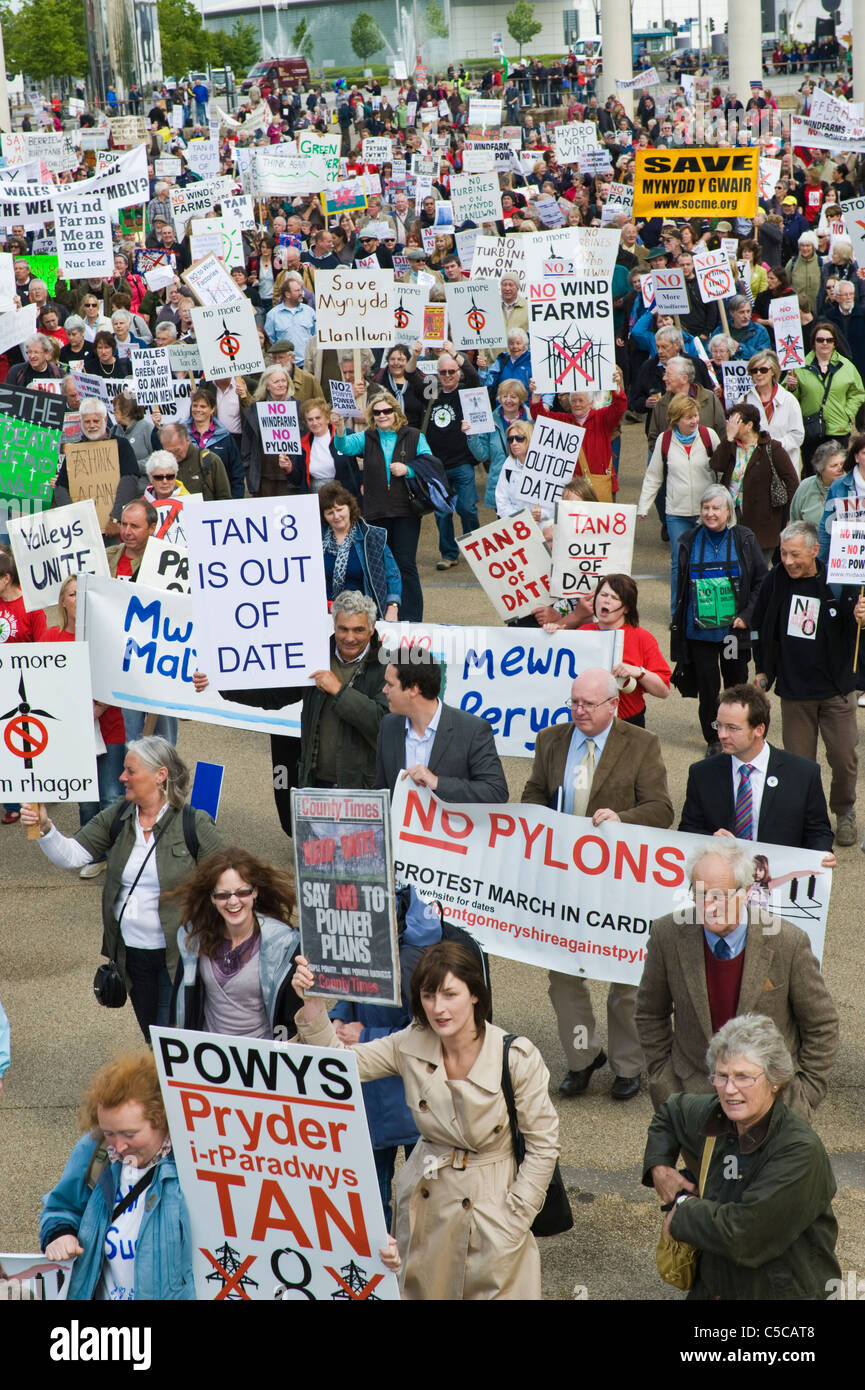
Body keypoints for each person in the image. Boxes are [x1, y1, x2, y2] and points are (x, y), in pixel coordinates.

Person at [291, 940, 559, 1299]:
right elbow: (339, 1065)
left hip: (495, 1211)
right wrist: (313, 1005)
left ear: (475, 994)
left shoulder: (515, 1056)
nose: (439, 1008)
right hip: (428, 1208)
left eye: (450, 994)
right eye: (429, 995)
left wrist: (514, 1220)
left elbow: (543, 1145)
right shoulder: (411, 1042)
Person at [521, 667, 674, 1102]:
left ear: (613, 705)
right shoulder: (551, 739)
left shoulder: (642, 744)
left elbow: (662, 810)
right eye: (574, 701)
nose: (578, 711)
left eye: (588, 704)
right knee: (564, 978)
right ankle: (583, 1058)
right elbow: (533, 792)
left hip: (619, 883)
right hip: (562, 880)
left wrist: (622, 820)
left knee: (625, 979)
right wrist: (537, 816)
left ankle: (628, 1066)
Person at [20, 738, 223, 1040]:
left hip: (178, 957)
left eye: (130, 770)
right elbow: (73, 855)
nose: (121, 777)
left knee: (172, 1039)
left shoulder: (194, 824)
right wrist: (47, 828)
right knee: (152, 1036)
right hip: (131, 956)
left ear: (160, 775)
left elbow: (228, 882)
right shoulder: (119, 816)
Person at [642, 1014, 842, 1300]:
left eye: (743, 1077)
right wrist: (659, 1167)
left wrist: (684, 1210)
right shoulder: (715, 1113)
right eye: (722, 1075)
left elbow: (744, 1235)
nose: (729, 1089)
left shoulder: (799, 1151)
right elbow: (670, 1113)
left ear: (774, 1081)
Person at [636, 841, 839, 1118]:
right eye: (700, 894)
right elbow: (649, 1014)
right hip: (693, 1101)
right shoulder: (666, 935)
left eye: (719, 896)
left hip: (772, 1104)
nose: (708, 906)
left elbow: (822, 1025)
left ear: (746, 894)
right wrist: (664, 1083)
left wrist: (805, 1095)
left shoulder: (788, 942)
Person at [196, 591, 390, 834]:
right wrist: (220, 681)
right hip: (315, 786)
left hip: (360, 791)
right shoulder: (314, 656)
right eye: (343, 629)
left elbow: (382, 723)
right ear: (334, 625)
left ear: (372, 628)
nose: (349, 637)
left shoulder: (387, 667)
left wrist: (338, 690)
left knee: (357, 868)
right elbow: (272, 696)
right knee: (315, 868)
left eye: (358, 630)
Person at [40, 1051, 194, 1300]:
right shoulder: (95, 1151)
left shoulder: (192, 1166)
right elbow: (61, 1209)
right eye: (110, 1132)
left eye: (130, 1134)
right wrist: (59, 1234)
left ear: (162, 1119)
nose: (119, 1146)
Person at [750, 521, 865, 847]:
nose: (787, 561)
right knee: (799, 764)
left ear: (815, 550)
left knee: (844, 757)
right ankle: (809, 818)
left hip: (835, 689)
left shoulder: (839, 582)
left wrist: (860, 617)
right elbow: (761, 625)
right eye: (784, 553)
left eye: (795, 554)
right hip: (795, 691)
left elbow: (855, 630)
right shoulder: (776, 580)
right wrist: (763, 670)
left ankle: (844, 811)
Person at [679, 681, 836, 857]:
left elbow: (818, 831)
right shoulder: (702, 774)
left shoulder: (803, 774)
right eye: (719, 725)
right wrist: (711, 840)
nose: (721, 735)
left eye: (732, 728)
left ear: (759, 729)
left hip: (777, 876)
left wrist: (822, 854)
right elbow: (688, 829)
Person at [672, 487, 768, 752]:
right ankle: (714, 739)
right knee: (708, 688)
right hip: (699, 633)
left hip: (731, 632)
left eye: (716, 508)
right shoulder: (688, 540)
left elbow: (761, 580)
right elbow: (679, 586)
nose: (710, 513)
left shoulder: (744, 538)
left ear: (728, 511)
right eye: (706, 508)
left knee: (736, 684)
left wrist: (747, 616)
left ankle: (741, 731)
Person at [171, 847, 300, 1038]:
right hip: (208, 1055)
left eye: (242, 893)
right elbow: (180, 1003)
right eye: (223, 895)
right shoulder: (195, 939)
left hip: (259, 1059)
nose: (233, 902)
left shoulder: (283, 945)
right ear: (212, 899)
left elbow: (291, 1019)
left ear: (255, 892)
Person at [45, 575, 126, 871]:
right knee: (86, 799)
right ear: (63, 601)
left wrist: (100, 707)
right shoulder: (51, 639)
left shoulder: (106, 637)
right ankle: (93, 854)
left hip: (109, 727)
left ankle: (119, 857)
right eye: (73, 594)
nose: (78, 599)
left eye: (84, 594)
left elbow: (120, 675)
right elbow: (44, 686)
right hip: (73, 732)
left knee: (112, 795)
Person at [334, 391, 432, 622]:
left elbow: (430, 464)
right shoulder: (367, 437)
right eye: (377, 412)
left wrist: (408, 470)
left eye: (387, 411)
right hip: (376, 511)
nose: (382, 415)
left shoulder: (414, 435)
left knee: (405, 564)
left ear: (396, 412)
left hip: (406, 509)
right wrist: (339, 427)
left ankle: (412, 618)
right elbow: (345, 446)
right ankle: (385, 612)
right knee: (380, 565)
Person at [376, 648, 508, 804]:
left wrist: (437, 783)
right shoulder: (388, 725)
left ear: (413, 689)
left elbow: (496, 792)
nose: (384, 690)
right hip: (400, 828)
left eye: (390, 684)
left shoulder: (472, 730)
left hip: (452, 826)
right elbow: (381, 790)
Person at [550, 575, 671, 727]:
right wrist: (552, 636)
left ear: (626, 608)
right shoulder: (582, 633)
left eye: (614, 597)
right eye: (603, 595)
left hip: (627, 723)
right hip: (586, 722)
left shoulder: (642, 638)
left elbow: (663, 691)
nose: (606, 600)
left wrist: (638, 672)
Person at [638, 393, 719, 612]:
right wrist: (643, 506)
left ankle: (706, 609)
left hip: (708, 512)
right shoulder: (665, 441)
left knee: (707, 561)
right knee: (679, 563)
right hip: (677, 513)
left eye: (695, 416)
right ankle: (678, 612)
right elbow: (654, 475)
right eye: (688, 417)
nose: (694, 421)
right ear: (675, 420)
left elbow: (722, 468)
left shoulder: (708, 435)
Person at [709, 402, 799, 564]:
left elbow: (792, 482)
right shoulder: (731, 446)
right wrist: (728, 438)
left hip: (763, 521)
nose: (730, 425)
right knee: (733, 567)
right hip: (732, 515)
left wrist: (791, 517)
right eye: (729, 420)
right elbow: (716, 465)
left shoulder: (772, 448)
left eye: (735, 421)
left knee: (758, 570)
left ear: (749, 425)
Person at [421, 352, 487, 571]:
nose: (447, 375)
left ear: (458, 373)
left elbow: (473, 375)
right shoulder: (431, 395)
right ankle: (449, 554)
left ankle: (477, 552)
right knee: (442, 513)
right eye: (443, 372)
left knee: (467, 508)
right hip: (437, 467)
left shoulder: (467, 394)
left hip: (462, 464)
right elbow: (412, 376)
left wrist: (456, 354)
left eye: (451, 371)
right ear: (437, 374)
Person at [785, 318, 865, 474]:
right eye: (820, 340)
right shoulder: (798, 367)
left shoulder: (846, 366)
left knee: (838, 472)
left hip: (838, 428)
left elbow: (859, 392)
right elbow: (788, 399)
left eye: (829, 340)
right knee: (811, 473)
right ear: (813, 343)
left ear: (835, 343)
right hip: (810, 429)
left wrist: (847, 412)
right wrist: (792, 387)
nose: (825, 343)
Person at [319, 482, 400, 620]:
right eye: (330, 513)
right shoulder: (316, 539)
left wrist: (393, 607)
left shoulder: (372, 536)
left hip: (364, 613)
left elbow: (392, 574)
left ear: (349, 508)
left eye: (339, 509)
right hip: (326, 614)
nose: (336, 516)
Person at [241, 366, 301, 498]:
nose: (281, 384)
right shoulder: (255, 410)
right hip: (263, 478)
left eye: (283, 381)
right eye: (276, 382)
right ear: (267, 386)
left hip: (291, 479)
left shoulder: (298, 408)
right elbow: (247, 445)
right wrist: (249, 470)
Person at [743, 349, 805, 475]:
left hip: (785, 466)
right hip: (755, 466)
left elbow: (798, 435)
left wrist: (773, 446)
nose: (758, 374)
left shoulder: (789, 400)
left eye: (763, 370)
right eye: (754, 371)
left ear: (773, 371)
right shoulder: (744, 400)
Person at [817, 432, 865, 562]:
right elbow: (827, 526)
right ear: (856, 457)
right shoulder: (839, 486)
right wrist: (820, 564)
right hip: (848, 558)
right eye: (864, 453)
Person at [158, 421, 231, 501]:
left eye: (177, 451)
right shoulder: (160, 465)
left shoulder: (210, 460)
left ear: (187, 440)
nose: (174, 456)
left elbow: (224, 498)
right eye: (169, 452)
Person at [106, 498, 157, 580]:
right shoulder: (106, 556)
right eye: (124, 524)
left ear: (151, 528)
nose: (127, 532)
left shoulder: (161, 562)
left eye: (134, 526)